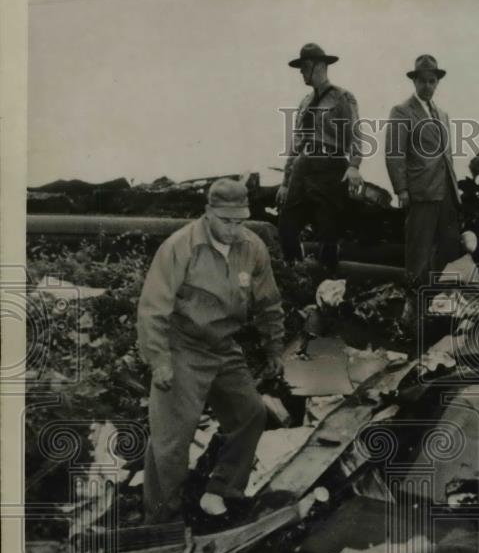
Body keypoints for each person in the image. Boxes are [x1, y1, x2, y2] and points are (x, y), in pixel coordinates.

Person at [137, 178, 285, 524]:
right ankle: (161, 518)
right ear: (208, 213)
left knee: (251, 413)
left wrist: (274, 346)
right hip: (182, 345)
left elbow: (268, 302)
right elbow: (152, 308)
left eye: (241, 221)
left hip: (224, 345)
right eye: (226, 221)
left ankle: (221, 491)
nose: (235, 229)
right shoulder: (180, 247)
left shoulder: (253, 247)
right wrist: (159, 362)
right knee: (173, 437)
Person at [277, 42, 365, 268]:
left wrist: (354, 166)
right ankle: (295, 271)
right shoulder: (305, 102)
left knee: (328, 227)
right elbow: (296, 143)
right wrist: (286, 181)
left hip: (330, 165)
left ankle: (328, 281)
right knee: (287, 221)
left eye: (304, 66)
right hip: (303, 165)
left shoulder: (342, 98)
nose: (301, 72)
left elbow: (356, 134)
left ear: (319, 66)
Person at [385, 55, 464, 298]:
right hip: (421, 193)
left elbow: (445, 155)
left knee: (449, 250)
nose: (427, 86)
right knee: (418, 254)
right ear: (415, 82)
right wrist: (402, 190)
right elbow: (394, 153)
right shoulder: (401, 111)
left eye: (432, 81)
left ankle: (441, 304)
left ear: (437, 83)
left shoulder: (442, 114)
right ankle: (414, 309)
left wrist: (455, 188)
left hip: (446, 193)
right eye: (423, 81)